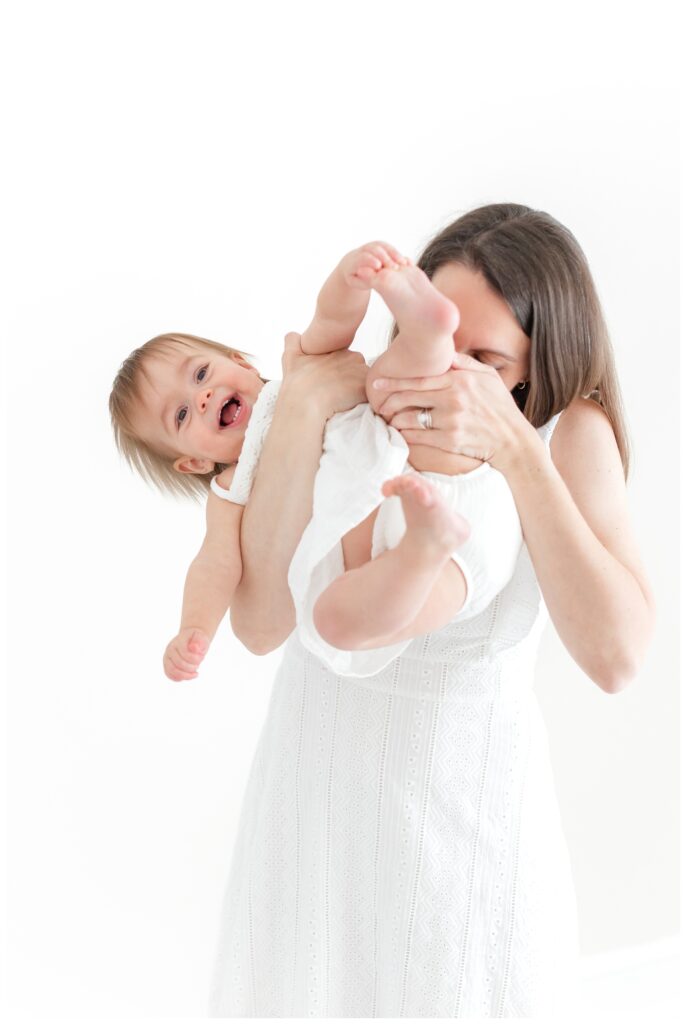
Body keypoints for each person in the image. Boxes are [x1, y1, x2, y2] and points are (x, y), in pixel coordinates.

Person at [200, 204, 655, 1017]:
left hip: (455, 845)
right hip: (315, 809)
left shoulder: (567, 432)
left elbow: (618, 658)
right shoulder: (364, 413)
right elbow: (262, 624)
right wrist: (305, 406)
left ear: (535, 366)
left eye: (484, 358)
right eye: (440, 340)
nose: (446, 374)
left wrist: (514, 448)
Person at [109, 241, 524, 684]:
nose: (202, 396)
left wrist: (351, 278)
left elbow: (332, 321)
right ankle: (424, 548)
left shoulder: (302, 375)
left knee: (390, 380)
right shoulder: (232, 489)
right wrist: (194, 627)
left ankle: (427, 335)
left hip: (422, 461)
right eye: (182, 414)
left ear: (241, 363)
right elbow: (214, 564)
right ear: (192, 462)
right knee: (335, 622)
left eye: (200, 374)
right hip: (399, 552)